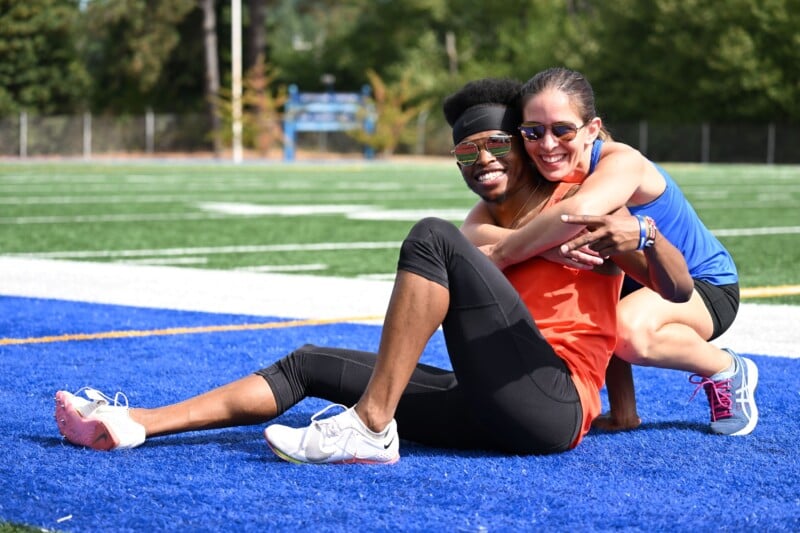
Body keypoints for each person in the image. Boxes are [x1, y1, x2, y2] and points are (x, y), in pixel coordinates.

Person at [54, 78, 692, 463]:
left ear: (524, 148)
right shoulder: (479, 225)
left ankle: (369, 427)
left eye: (498, 144)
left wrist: (645, 234)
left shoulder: (582, 203)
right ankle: (136, 423)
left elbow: (676, 287)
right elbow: (489, 252)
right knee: (308, 362)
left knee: (428, 237)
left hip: (552, 405)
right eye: (465, 152)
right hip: (490, 402)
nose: (483, 160)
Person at [477, 67, 758, 436]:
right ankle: (624, 411)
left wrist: (501, 253)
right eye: (533, 132)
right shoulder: (548, 172)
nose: (547, 144)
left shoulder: (622, 162)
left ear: (591, 129)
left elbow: (577, 216)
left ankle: (726, 368)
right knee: (583, 284)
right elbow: (472, 227)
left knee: (628, 329)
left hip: (702, 286)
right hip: (635, 285)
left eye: (562, 130)